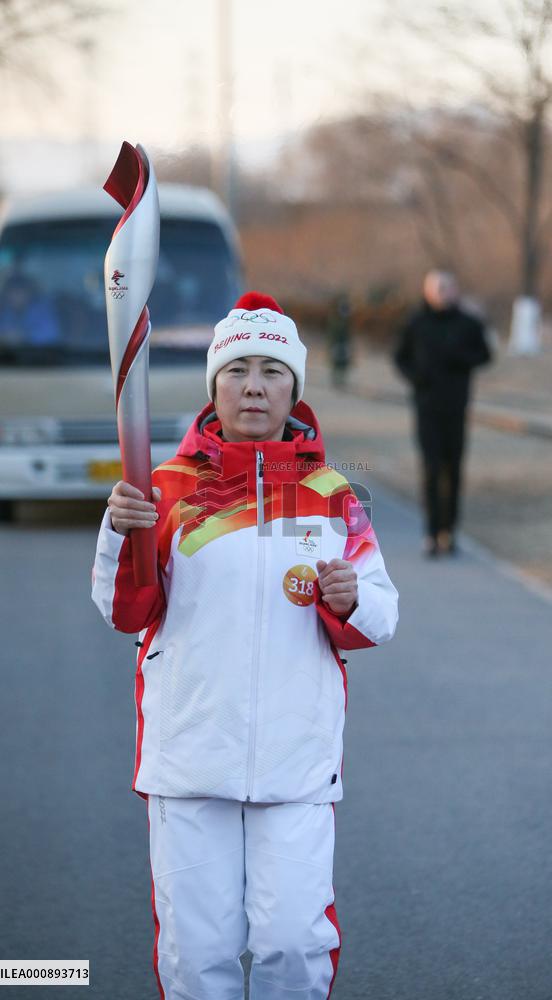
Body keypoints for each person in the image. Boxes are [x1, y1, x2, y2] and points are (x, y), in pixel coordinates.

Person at [91, 291, 399, 1000]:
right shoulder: (164, 490)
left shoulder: (331, 495)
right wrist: (118, 534)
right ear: (214, 386)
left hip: (297, 763)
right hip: (190, 757)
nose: (254, 386)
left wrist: (350, 598)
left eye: (271, 371)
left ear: (294, 389)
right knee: (198, 957)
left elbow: (381, 612)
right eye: (237, 370)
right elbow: (122, 608)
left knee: (294, 943)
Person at [393, 271, 492, 558]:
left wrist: (461, 360)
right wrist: (416, 378)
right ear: (427, 292)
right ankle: (431, 532)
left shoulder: (468, 324)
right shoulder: (416, 323)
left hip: (456, 408)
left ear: (455, 290)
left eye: (446, 288)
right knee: (431, 468)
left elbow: (485, 355)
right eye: (436, 288)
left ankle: (449, 532)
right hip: (426, 408)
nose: (442, 293)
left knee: (454, 469)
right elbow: (400, 358)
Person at [326, 291, 352, 388]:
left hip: (343, 343)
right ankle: (336, 380)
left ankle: (341, 380)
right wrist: (331, 345)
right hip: (336, 343)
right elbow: (332, 334)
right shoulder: (335, 319)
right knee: (336, 362)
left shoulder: (346, 320)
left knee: (343, 362)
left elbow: (348, 334)